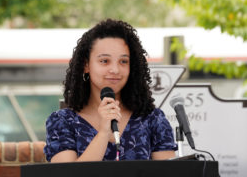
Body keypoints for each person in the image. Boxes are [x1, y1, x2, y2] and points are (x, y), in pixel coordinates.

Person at [44, 19, 177, 162]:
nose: (115, 70)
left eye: (123, 61)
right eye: (104, 61)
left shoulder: (152, 119)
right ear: (86, 65)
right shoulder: (62, 121)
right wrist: (103, 132)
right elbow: (66, 174)